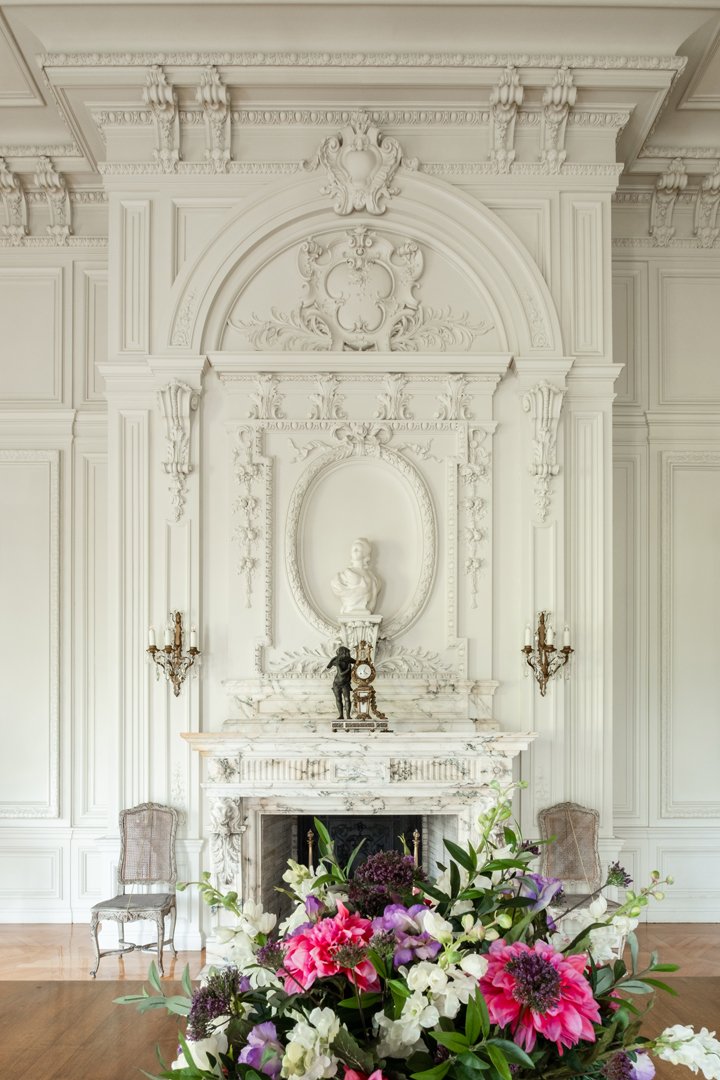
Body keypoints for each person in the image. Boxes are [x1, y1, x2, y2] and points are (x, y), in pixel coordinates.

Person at [330, 537, 382, 615]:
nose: (354, 549)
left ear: (365, 553)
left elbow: (372, 599)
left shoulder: (373, 579)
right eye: (353, 548)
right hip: (349, 610)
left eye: (358, 548)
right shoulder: (340, 578)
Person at [326, 645, 355, 719]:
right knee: (338, 699)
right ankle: (341, 715)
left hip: (345, 684)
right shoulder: (337, 661)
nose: (349, 654)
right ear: (343, 653)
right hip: (337, 684)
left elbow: (358, 662)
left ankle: (348, 716)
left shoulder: (348, 660)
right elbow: (341, 673)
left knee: (347, 699)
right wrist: (348, 669)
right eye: (347, 653)